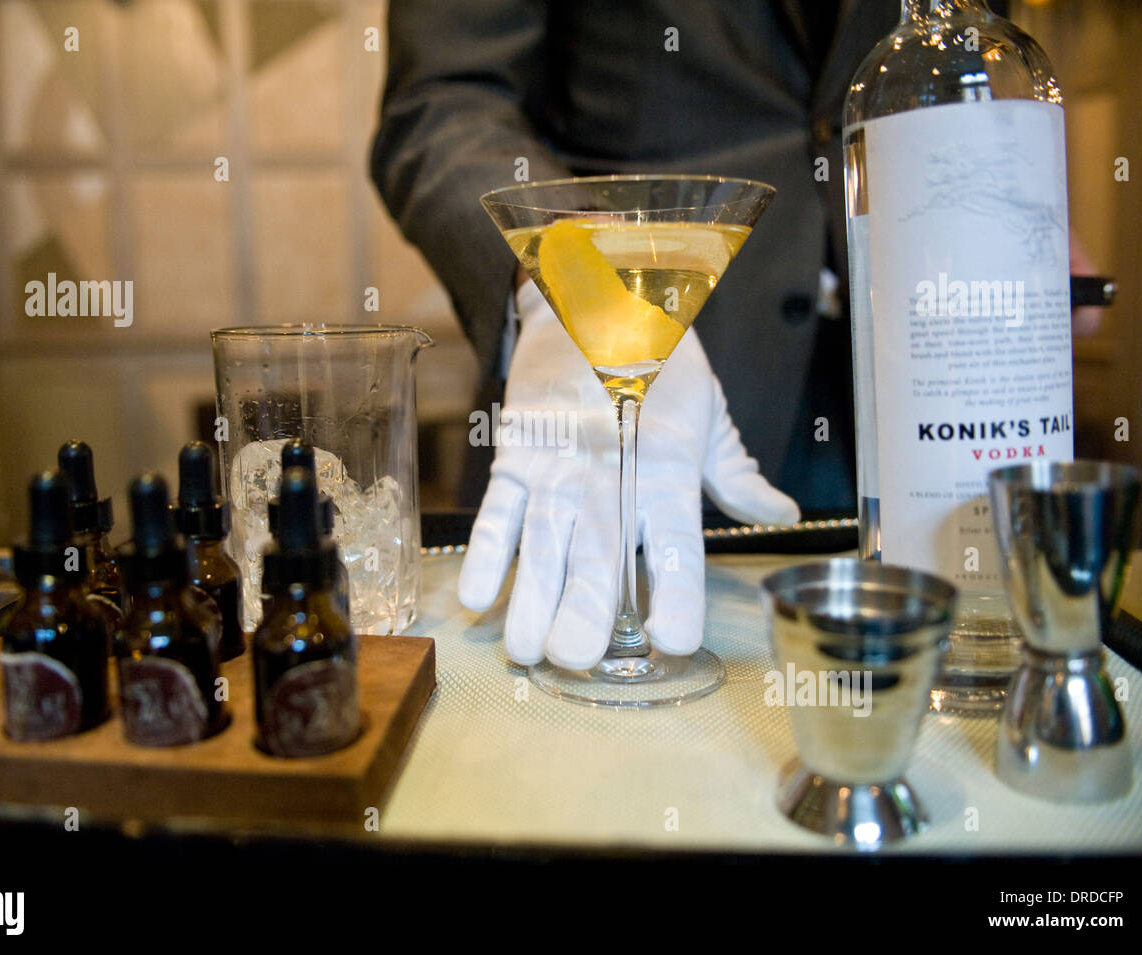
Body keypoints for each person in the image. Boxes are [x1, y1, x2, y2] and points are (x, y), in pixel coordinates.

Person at [369, 0, 1088, 671]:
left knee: (908, 674)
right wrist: (573, 292)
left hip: (900, 408)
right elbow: (444, 101)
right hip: (620, 438)